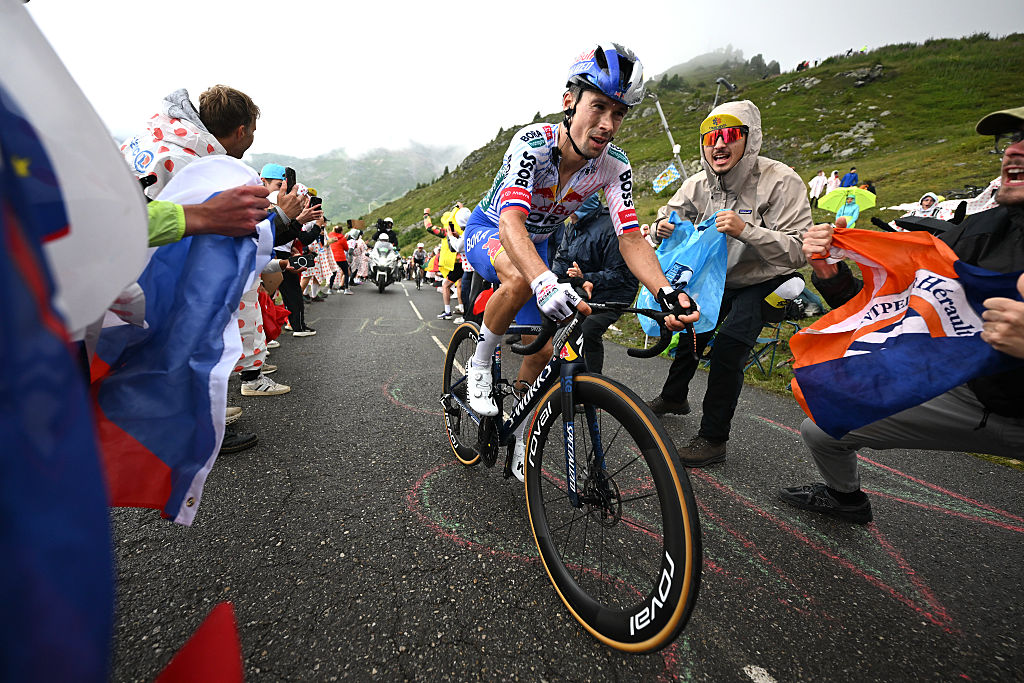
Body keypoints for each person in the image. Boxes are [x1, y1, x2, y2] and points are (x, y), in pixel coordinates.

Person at [779, 104, 1024, 524]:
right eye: (1012, 140)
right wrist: (831, 273)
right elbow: (891, 312)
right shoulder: (983, 231)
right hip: (971, 395)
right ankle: (845, 499)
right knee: (822, 426)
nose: (1013, 152)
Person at [462, 43, 696, 480]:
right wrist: (543, 282)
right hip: (492, 229)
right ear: (569, 102)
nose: (608, 125)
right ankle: (479, 365)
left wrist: (666, 292)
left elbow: (630, 238)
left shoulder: (614, 167)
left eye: (620, 113)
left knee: (547, 348)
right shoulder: (532, 143)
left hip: (541, 243)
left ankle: (518, 426)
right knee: (516, 277)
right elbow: (512, 221)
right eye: (599, 107)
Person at [645, 100, 811, 466]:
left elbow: (800, 250)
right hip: (716, 280)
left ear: (749, 141)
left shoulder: (781, 180)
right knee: (691, 334)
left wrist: (748, 232)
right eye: (711, 137)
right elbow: (668, 215)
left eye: (731, 134)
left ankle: (713, 439)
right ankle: (674, 397)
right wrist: (662, 227)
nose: (719, 144)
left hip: (762, 280)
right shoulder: (696, 184)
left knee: (728, 350)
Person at [551, 195, 638, 374]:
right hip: (583, 290)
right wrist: (551, 280)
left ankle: (593, 384)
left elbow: (619, 274)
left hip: (614, 294)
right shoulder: (573, 225)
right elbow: (562, 258)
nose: (568, 214)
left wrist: (586, 277)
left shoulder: (611, 228)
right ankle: (567, 379)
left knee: (587, 330)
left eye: (571, 207)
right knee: (561, 324)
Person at [328, 226, 351, 293]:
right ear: (341, 231)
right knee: (346, 272)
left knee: (333, 273)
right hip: (341, 257)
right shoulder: (342, 238)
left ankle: (330, 289)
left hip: (332, 257)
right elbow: (346, 248)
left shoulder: (330, 236)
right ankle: (346, 289)